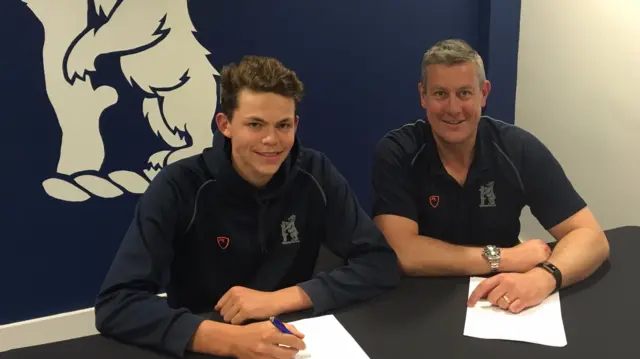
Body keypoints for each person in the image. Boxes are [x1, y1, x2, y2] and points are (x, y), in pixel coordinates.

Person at [95, 55, 401, 359]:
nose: (271, 140)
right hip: (207, 342)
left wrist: (277, 300)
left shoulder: (315, 173)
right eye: (255, 124)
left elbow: (379, 262)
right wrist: (231, 340)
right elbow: (117, 303)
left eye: (283, 125)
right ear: (225, 124)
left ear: (295, 124)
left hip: (296, 339)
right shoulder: (178, 185)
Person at [371, 39, 610, 315]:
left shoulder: (518, 148)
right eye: (439, 94)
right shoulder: (397, 152)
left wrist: (542, 278)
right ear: (422, 96)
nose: (452, 108)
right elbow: (402, 252)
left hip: (502, 301)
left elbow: (590, 236)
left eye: (464, 93)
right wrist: (503, 257)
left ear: (483, 94)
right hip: (416, 306)